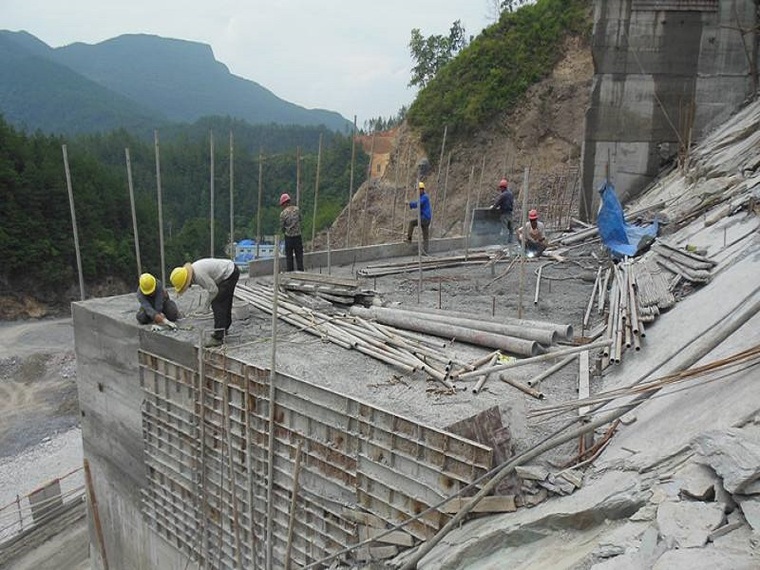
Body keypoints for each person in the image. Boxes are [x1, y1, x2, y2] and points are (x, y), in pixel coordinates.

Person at [170, 258, 240, 346]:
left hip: (230, 274)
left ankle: (218, 337)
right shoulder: (195, 269)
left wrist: (206, 305)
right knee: (225, 301)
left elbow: (214, 290)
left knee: (217, 302)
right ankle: (224, 328)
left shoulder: (199, 275)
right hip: (231, 270)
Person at [279, 193, 304, 272]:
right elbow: (300, 219)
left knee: (289, 257)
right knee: (299, 255)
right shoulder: (297, 209)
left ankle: (290, 272)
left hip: (289, 237)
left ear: (284, 203)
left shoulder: (283, 214)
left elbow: (282, 227)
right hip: (298, 236)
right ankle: (301, 271)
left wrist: (286, 230)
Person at [406, 181, 432, 253]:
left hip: (425, 218)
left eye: (419, 189)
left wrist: (409, 203)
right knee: (425, 236)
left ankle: (409, 238)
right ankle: (426, 251)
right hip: (427, 219)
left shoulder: (424, 197)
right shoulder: (422, 197)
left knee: (412, 223)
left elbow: (418, 204)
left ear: (422, 189)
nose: (418, 191)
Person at [490, 178, 514, 244]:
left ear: (502, 187)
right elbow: (512, 203)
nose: (500, 189)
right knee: (511, 229)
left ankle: (504, 243)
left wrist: (493, 208)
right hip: (510, 213)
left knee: (505, 228)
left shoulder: (502, 195)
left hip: (504, 214)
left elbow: (497, 204)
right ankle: (510, 242)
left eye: (501, 188)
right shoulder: (510, 194)